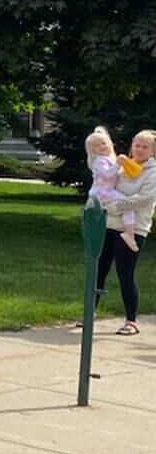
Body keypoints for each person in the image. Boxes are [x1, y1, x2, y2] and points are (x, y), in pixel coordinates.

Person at [96, 129, 156, 336]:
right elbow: (106, 186)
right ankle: (89, 314)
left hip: (134, 228)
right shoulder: (122, 167)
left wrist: (115, 206)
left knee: (125, 273)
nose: (139, 150)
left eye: (145, 146)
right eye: (136, 145)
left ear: (153, 151)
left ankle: (131, 321)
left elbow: (145, 200)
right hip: (110, 225)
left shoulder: (152, 172)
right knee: (99, 269)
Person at [87, 126, 139, 252]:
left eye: (104, 143)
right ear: (92, 150)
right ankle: (129, 234)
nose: (102, 146)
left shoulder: (108, 159)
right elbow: (107, 175)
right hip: (102, 192)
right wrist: (118, 164)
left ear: (110, 144)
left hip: (106, 192)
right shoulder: (100, 161)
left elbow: (116, 175)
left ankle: (129, 234)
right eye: (97, 146)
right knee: (128, 205)